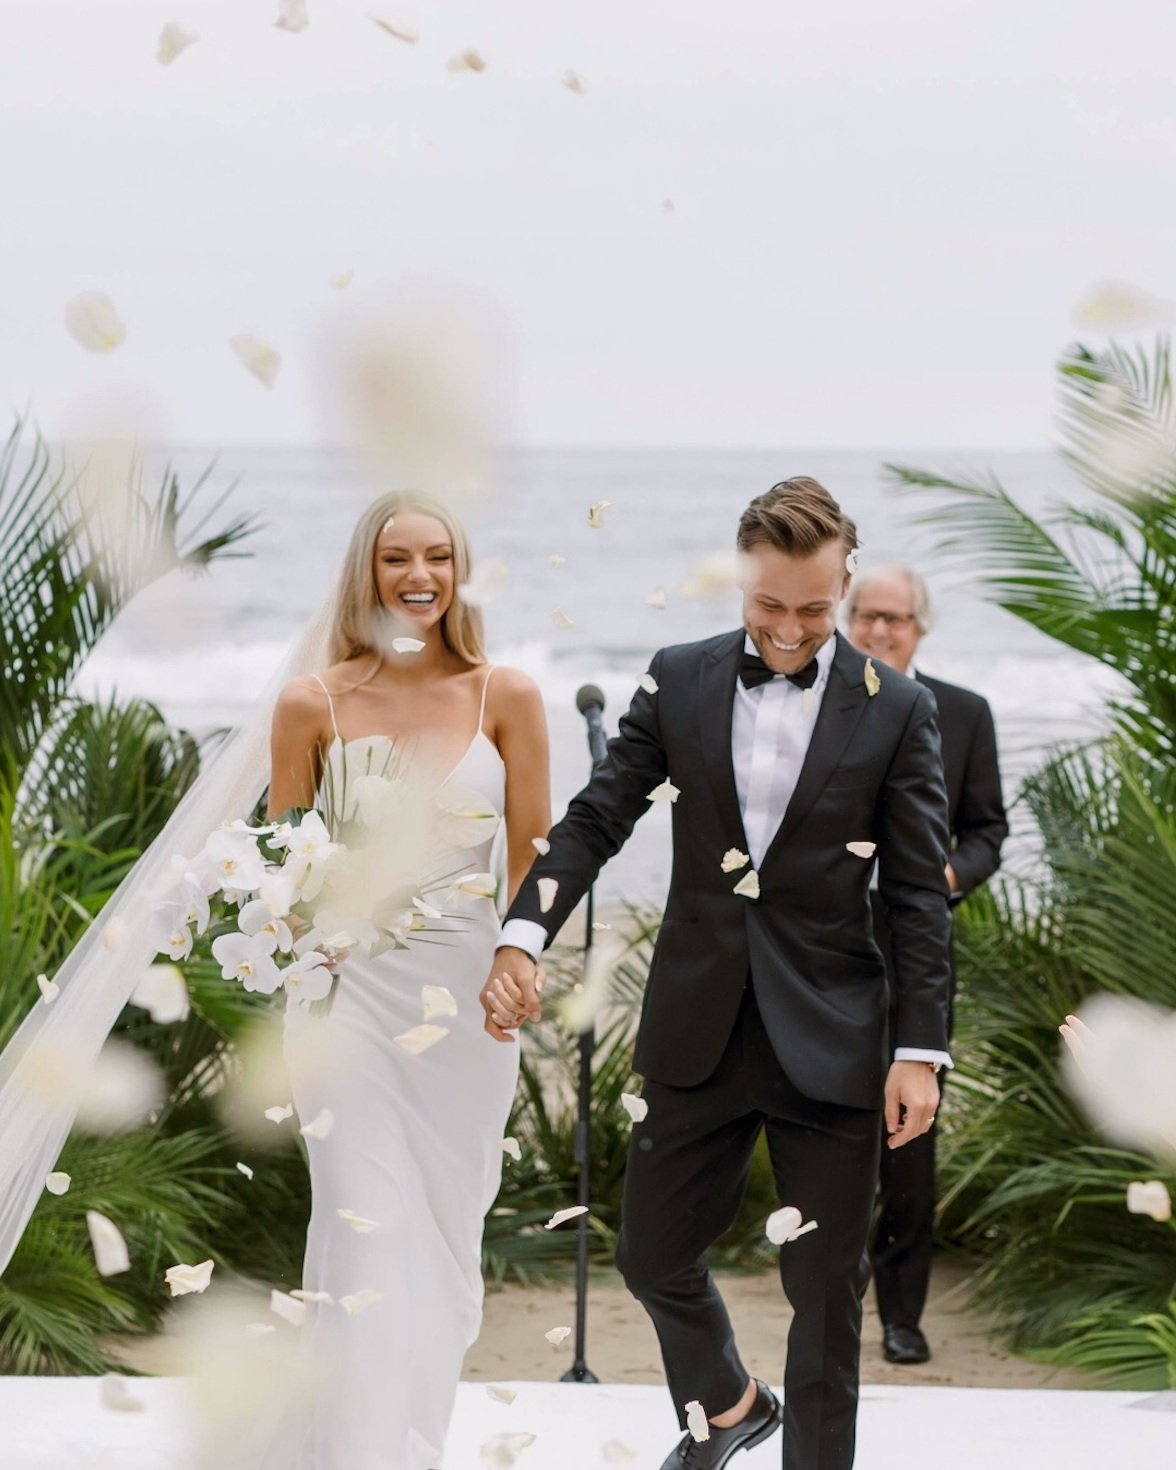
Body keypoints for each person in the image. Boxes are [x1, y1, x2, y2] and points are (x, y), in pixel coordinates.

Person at [482, 477, 954, 1470]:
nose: (787, 630)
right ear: (740, 579)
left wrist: (920, 1049)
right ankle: (731, 1406)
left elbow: (917, 894)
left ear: (846, 583)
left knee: (824, 1294)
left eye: (813, 609)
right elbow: (598, 818)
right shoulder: (680, 677)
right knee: (650, 1257)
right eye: (768, 603)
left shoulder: (900, 709)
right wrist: (523, 934)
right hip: (698, 1021)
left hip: (833, 1031)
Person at [264, 491, 550, 1469]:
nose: (419, 576)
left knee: (441, 1248)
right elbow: (282, 866)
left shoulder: (506, 696)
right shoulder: (311, 703)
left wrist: (521, 955)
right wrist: (308, 921)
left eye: (438, 557)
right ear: (367, 572)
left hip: (465, 1013)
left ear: (459, 573)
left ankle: (399, 1443)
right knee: (367, 1232)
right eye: (397, 559)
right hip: (344, 1005)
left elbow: (535, 858)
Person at [846, 564, 1007, 1367]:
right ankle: (829, 1299)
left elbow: (987, 831)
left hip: (917, 941)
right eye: (867, 615)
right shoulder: (815, 705)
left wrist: (941, 877)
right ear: (847, 620)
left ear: (920, 628)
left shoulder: (964, 714)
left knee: (909, 1133)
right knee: (827, 1123)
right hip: (825, 939)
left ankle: (901, 1317)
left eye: (896, 618)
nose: (880, 631)